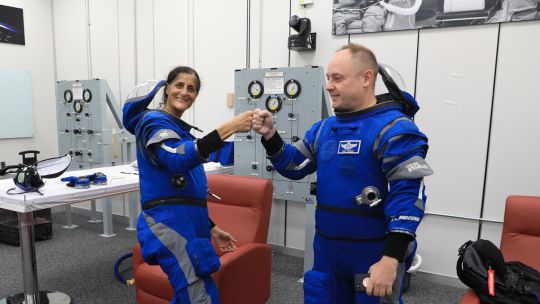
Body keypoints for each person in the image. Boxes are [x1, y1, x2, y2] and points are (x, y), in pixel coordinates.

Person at [252, 43, 433, 303]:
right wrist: (270, 136)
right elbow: (294, 166)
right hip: (326, 252)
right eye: (328, 78)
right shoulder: (323, 129)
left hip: (373, 254)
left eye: (337, 78)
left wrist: (391, 259)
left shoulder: (395, 129)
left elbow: (408, 199)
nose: (328, 86)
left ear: (366, 78)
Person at [122, 66, 253, 304]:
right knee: (199, 296)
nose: (184, 92)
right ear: (167, 89)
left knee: (192, 293)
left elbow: (183, 188)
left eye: (191, 88)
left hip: (189, 224)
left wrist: (212, 227)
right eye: (179, 85)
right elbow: (176, 158)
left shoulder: (180, 132)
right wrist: (229, 127)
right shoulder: (153, 122)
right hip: (167, 223)